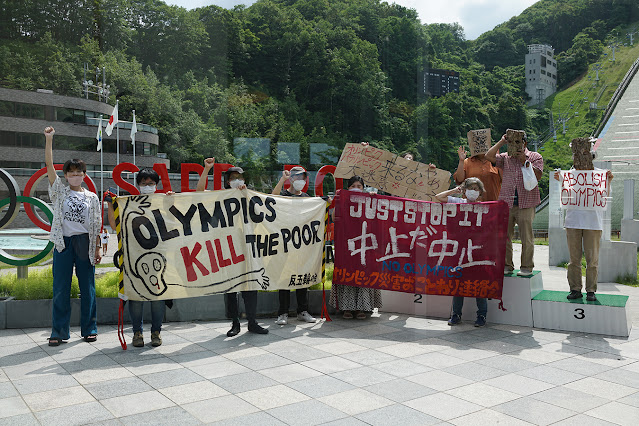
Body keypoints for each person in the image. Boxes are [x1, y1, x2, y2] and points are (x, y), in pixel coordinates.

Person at [196, 158, 269, 336]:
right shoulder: (220, 196)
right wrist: (206, 169)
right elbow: (198, 192)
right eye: (233, 177)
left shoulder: (250, 195)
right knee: (231, 289)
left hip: (247, 248)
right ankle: (235, 323)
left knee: (251, 286)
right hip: (227, 248)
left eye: (240, 177)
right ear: (227, 182)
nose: (237, 180)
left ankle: (252, 322)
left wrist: (245, 195)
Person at [44, 127, 102, 346]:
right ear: (66, 175)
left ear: (84, 175)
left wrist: (96, 248)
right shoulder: (59, 191)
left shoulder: (92, 197)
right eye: (71, 173)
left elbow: (96, 225)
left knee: (88, 287)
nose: (75, 176)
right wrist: (49, 139)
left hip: (85, 243)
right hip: (63, 243)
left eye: (79, 173)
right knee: (60, 287)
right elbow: (49, 166)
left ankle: (90, 329)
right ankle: (58, 332)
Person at [106, 167, 167, 347]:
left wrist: (172, 200)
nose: (147, 186)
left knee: (158, 297)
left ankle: (156, 332)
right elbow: (114, 224)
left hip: (159, 258)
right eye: (143, 183)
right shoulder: (129, 204)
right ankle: (137, 333)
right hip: (134, 258)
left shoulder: (164, 202)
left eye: (151, 183)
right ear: (138, 185)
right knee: (136, 298)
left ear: (157, 185)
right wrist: (111, 205)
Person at [554, 139, 613, 302]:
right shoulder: (570, 175)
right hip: (573, 221)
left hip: (593, 222)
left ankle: (591, 290)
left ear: (592, 157)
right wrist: (560, 179)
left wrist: (608, 181)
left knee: (592, 259)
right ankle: (575, 288)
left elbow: (604, 199)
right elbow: (565, 194)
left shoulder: (601, 174)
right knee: (574, 259)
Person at [485, 132, 543, 277]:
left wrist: (524, 160)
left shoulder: (535, 157)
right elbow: (488, 156)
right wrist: (501, 141)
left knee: (526, 237)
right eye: (512, 142)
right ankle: (506, 265)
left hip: (527, 202)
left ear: (525, 143)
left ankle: (526, 266)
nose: (516, 145)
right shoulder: (505, 157)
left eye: (518, 142)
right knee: (504, 236)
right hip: (506, 202)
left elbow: (538, 176)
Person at [436, 178, 488, 327]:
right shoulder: (457, 202)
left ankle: (482, 315)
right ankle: (456, 314)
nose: (474, 191)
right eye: (470, 188)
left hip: (478, 251)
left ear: (480, 192)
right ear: (464, 190)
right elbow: (439, 197)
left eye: (476, 189)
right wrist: (454, 190)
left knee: (479, 284)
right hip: (458, 251)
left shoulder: (486, 207)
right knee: (458, 283)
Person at [329, 176, 382, 319]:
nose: (356, 188)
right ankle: (347, 308)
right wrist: (338, 200)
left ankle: (362, 308)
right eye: (353, 185)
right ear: (348, 188)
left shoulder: (369, 200)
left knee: (363, 274)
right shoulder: (343, 200)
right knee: (348, 272)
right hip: (347, 245)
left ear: (363, 188)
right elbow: (334, 218)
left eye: (359, 186)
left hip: (365, 245)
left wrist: (373, 199)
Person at [271, 167, 317, 325]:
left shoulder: (306, 197)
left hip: (302, 244)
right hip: (284, 242)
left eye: (303, 177)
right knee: (285, 277)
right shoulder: (284, 195)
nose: (301, 181)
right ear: (291, 179)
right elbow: (271, 198)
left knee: (301, 276)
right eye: (297, 177)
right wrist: (282, 180)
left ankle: (302, 311)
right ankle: (282, 312)